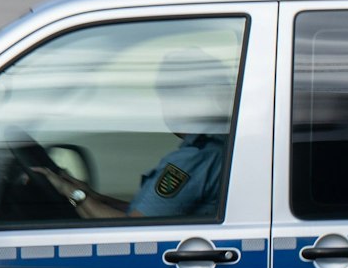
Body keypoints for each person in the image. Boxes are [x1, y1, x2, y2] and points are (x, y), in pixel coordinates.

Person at [28, 47, 232, 221]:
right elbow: (149, 212)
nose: (166, 106)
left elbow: (135, 229)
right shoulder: (220, 148)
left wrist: (70, 192)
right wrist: (93, 197)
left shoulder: (194, 159)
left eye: (169, 94)